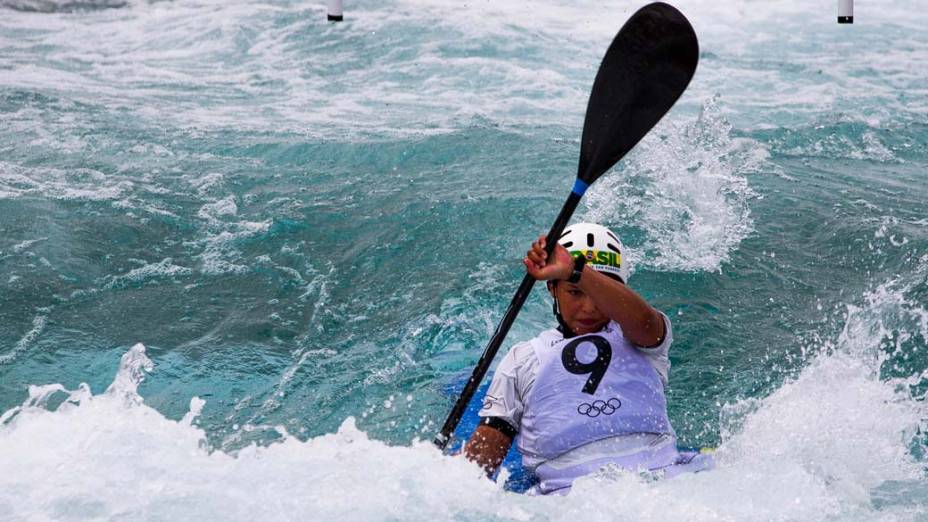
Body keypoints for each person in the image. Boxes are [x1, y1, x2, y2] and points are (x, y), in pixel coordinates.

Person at [463, 222, 712, 495]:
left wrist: (576, 272)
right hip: (570, 499)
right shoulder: (521, 360)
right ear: (552, 289)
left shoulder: (640, 336)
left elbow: (644, 321)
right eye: (574, 292)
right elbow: (482, 462)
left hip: (665, 483)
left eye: (598, 293)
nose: (589, 307)